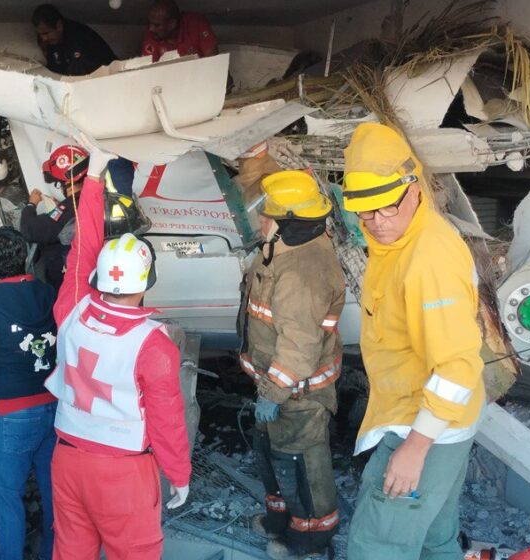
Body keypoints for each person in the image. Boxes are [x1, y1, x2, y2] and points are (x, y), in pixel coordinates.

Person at [341, 123, 485, 560]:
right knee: (433, 539)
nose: (378, 223)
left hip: (425, 427)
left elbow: (457, 365)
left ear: (414, 188)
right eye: (365, 213)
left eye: (386, 209)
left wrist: (414, 449)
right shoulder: (398, 241)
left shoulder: (428, 259)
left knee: (377, 547)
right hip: (439, 421)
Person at [43, 138, 191, 559]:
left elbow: (84, 244)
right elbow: (167, 421)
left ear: (100, 279)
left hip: (68, 459)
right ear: (146, 282)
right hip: (123, 472)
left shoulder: (71, 308)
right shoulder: (153, 345)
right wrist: (178, 473)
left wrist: (93, 177)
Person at [236, 154, 345, 559]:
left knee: (300, 465)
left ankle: (312, 538)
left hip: (298, 393)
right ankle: (280, 520)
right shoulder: (286, 244)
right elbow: (260, 192)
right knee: (273, 455)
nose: (259, 221)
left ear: (285, 223)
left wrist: (274, 389)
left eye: (267, 217)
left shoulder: (301, 271)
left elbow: (299, 345)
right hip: (279, 388)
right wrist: (256, 161)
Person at [0, 226, 58, 560]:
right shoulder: (50, 295)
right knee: (55, 497)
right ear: (26, 257)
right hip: (55, 409)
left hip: (12, 417)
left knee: (8, 500)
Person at [21, 144, 88, 290]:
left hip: (68, 284)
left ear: (67, 182)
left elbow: (29, 230)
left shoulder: (68, 209)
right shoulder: (95, 198)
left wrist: (31, 204)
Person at [32, 4, 117, 76]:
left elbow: (77, 71)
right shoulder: (49, 42)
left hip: (111, 76)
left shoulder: (79, 35)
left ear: (58, 26)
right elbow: (55, 70)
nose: (44, 38)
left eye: (46, 33)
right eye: (40, 34)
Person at [141, 0, 218, 62]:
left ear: (172, 24)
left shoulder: (196, 24)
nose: (151, 28)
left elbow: (213, 62)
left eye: (156, 25)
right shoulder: (153, 34)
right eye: (150, 23)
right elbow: (147, 69)